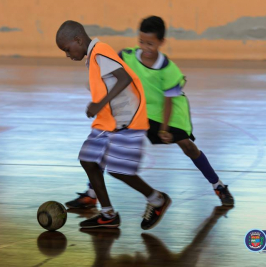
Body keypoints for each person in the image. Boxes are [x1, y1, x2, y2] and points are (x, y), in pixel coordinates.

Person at [66, 16, 234, 209]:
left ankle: (218, 185)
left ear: (161, 42)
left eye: (151, 43)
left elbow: (169, 101)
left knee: (188, 147)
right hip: (137, 112)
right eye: (142, 42)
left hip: (166, 114)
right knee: (106, 143)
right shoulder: (127, 55)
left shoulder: (168, 69)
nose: (145, 47)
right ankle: (91, 194)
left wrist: (163, 129)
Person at [56, 20, 171, 229]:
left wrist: (99, 103)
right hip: (109, 122)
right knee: (88, 159)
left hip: (128, 121)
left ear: (78, 40)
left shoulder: (100, 51)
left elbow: (124, 78)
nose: (67, 54)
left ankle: (157, 199)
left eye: (67, 49)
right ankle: (108, 215)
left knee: (120, 170)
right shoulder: (93, 57)